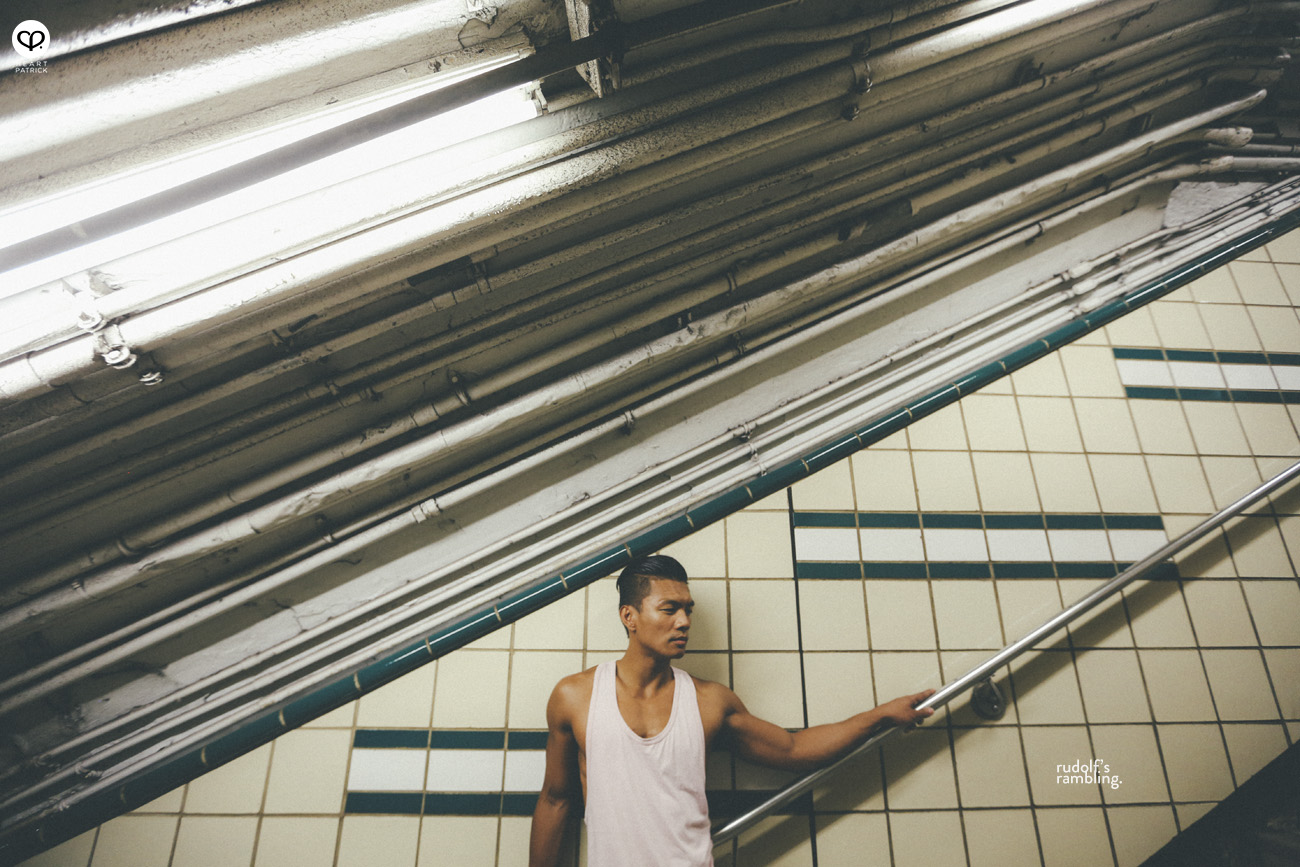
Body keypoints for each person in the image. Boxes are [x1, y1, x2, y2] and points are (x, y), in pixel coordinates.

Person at [528, 554, 935, 867]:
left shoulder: (709, 701)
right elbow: (556, 799)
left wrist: (880, 715)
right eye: (669, 609)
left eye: (688, 609)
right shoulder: (576, 696)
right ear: (629, 617)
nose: (684, 621)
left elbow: (793, 749)